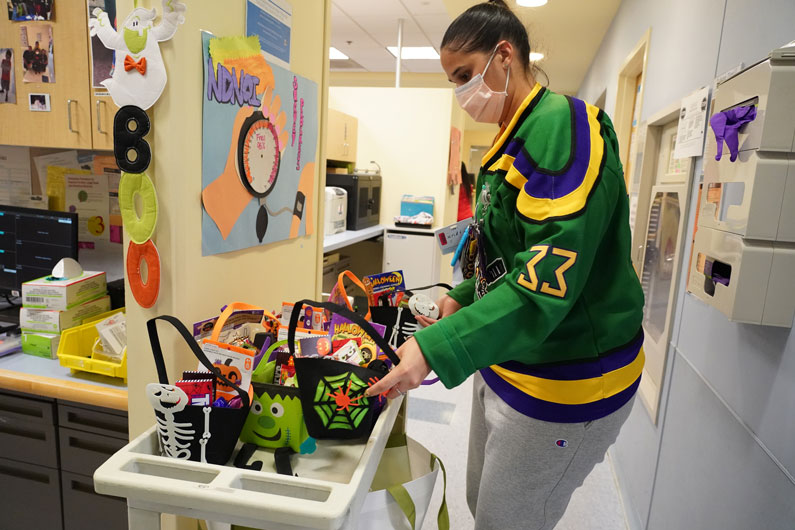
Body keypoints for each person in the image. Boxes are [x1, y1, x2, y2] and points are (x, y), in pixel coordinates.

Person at [366, 1, 645, 529]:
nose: (463, 93)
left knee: (507, 520)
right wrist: (462, 295)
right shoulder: (507, 143)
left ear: (504, 55)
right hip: (511, 358)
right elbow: (506, 257)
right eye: (454, 81)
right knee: (481, 499)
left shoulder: (564, 124)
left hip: (571, 373)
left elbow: (545, 278)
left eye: (466, 75)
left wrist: (433, 348)